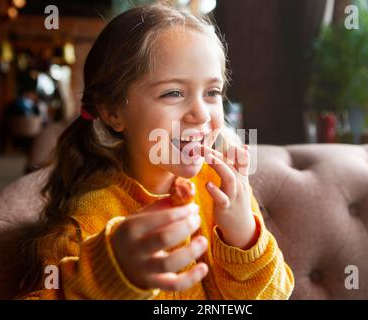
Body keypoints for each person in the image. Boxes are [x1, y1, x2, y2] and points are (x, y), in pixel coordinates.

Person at [18, 4, 294, 300]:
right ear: (112, 112)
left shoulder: (225, 191)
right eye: (173, 93)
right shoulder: (88, 220)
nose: (201, 114)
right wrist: (107, 277)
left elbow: (276, 295)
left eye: (212, 92)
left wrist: (243, 238)